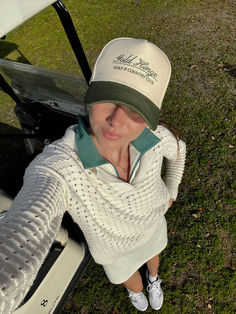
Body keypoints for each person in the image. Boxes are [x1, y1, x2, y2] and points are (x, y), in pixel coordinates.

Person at [0, 37, 186, 312]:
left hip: (153, 226)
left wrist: (172, 190)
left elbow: (179, 151)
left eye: (135, 109)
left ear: (149, 118)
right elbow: (28, 223)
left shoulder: (155, 137)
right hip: (114, 252)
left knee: (154, 256)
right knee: (127, 277)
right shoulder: (61, 165)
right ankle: (138, 293)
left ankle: (155, 279)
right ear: (91, 95)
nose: (116, 121)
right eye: (108, 98)